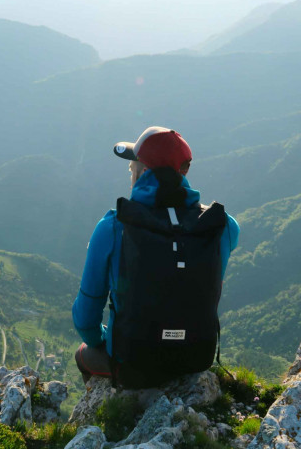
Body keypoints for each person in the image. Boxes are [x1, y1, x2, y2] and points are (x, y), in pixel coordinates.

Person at [72, 126, 240, 387]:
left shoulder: (113, 227)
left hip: (132, 362)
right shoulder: (223, 226)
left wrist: (104, 339)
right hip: (197, 358)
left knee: (83, 353)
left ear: (143, 171)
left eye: (132, 167)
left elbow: (85, 317)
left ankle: (110, 415)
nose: (130, 172)